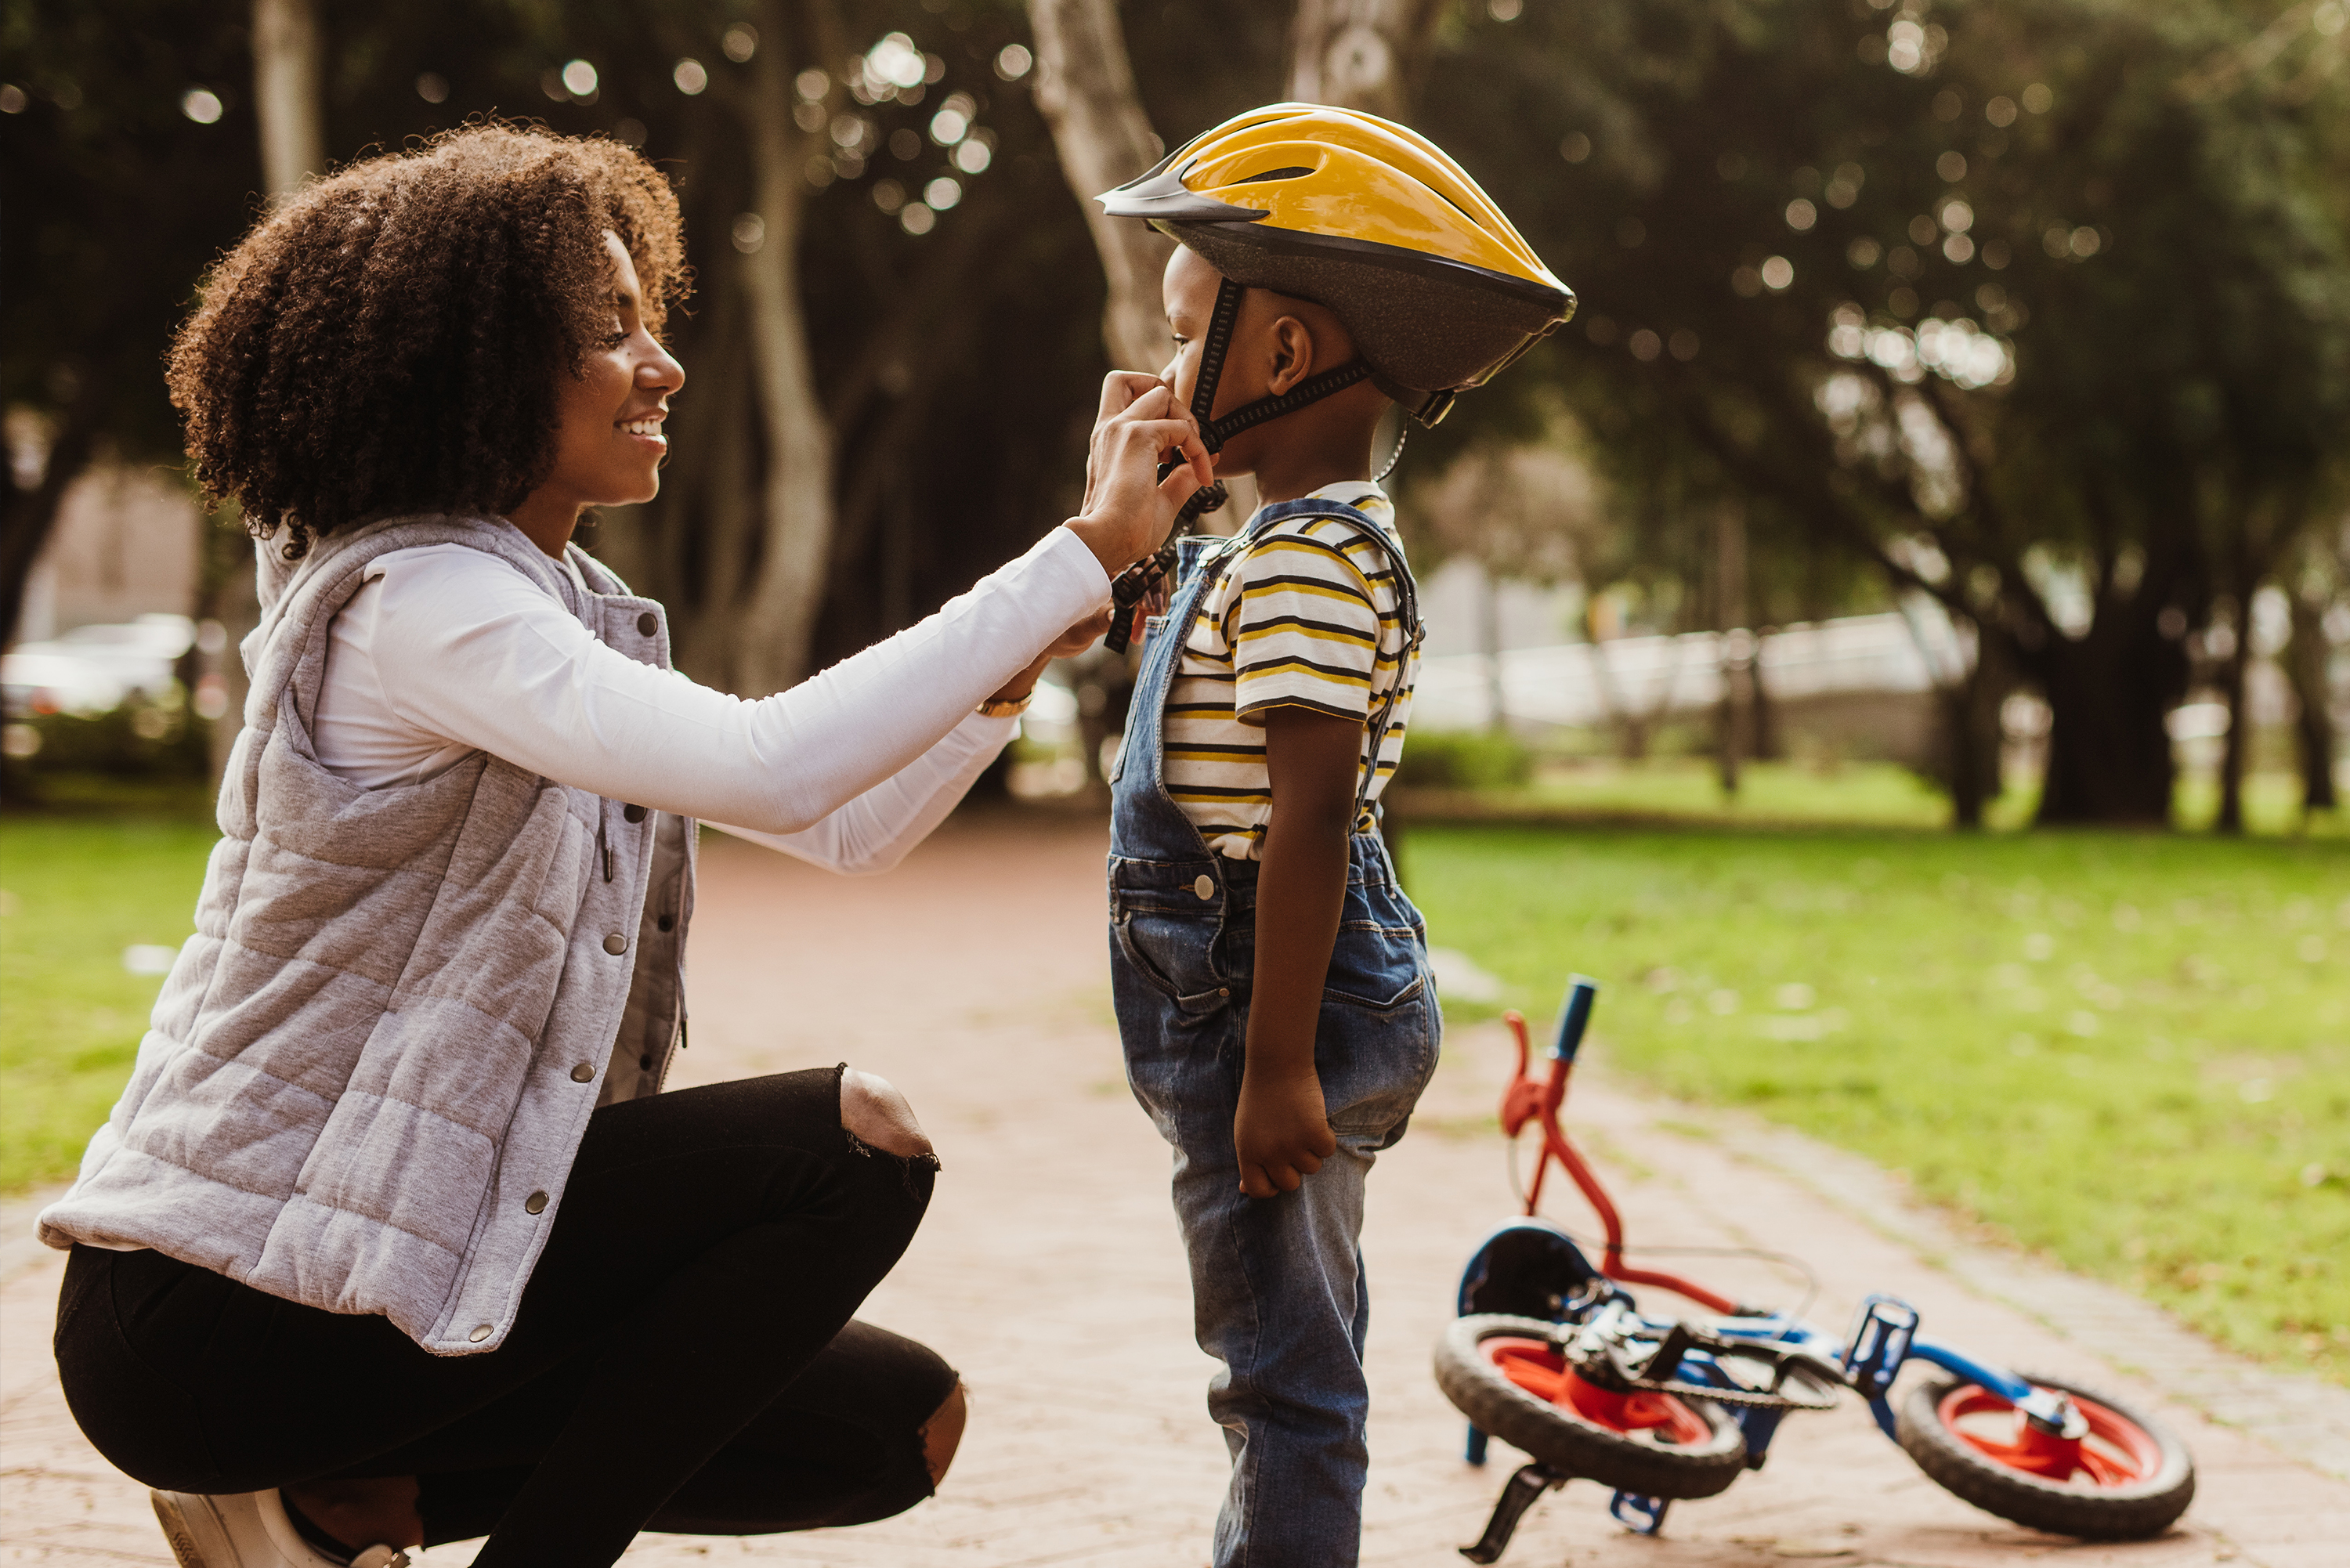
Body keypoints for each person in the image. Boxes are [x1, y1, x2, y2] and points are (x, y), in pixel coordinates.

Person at [37, 124, 1210, 1568]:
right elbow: (775, 766)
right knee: (856, 1144)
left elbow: (839, 828)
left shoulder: (546, 602)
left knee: (895, 1424)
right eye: (609, 332)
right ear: (467, 363)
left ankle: (324, 1505)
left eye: (654, 320)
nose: (661, 364)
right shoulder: (418, 603)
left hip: (381, 1260)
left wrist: (1025, 656)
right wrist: (1075, 552)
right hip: (211, 1310)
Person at [1092, 104, 1574, 1568]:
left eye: (1187, 337)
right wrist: (1129, 532)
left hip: (1266, 993)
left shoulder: (1309, 553)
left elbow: (1307, 818)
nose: (1164, 371)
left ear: (1285, 354)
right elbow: (1197, 723)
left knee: (1283, 1381)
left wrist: (1279, 1063)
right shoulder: (1278, 540)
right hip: (1255, 985)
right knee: (1288, 1347)